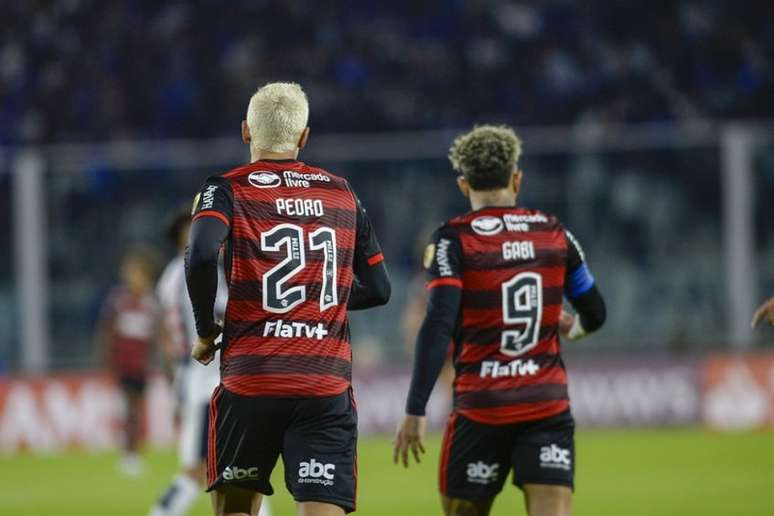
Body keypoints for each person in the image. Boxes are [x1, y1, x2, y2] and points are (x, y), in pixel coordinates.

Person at [185, 82, 391, 516]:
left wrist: (206, 330)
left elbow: (201, 254)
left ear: (246, 131)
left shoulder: (225, 188)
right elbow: (379, 288)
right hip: (323, 383)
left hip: (249, 379)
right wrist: (320, 298)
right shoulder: (342, 192)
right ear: (303, 136)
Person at [392, 126, 606, 516]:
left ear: (463, 185)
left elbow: (438, 322)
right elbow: (596, 312)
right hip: (546, 404)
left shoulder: (451, 240)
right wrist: (574, 329)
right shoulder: (554, 233)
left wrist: (415, 408)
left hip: (480, 408)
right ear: (517, 178)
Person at [150, 208, 272, 516]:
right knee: (207, 464)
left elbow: (165, 331)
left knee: (228, 461)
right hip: (208, 378)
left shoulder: (170, 274)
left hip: (192, 375)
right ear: (184, 234)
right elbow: (223, 313)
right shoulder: (197, 269)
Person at [95, 245, 160, 476]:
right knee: (128, 409)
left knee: (138, 410)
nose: (132, 276)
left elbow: (157, 334)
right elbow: (107, 330)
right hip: (123, 366)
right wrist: (106, 358)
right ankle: (128, 454)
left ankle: (135, 452)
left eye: (137, 272)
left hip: (142, 366)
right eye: (129, 271)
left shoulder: (151, 302)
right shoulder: (118, 300)